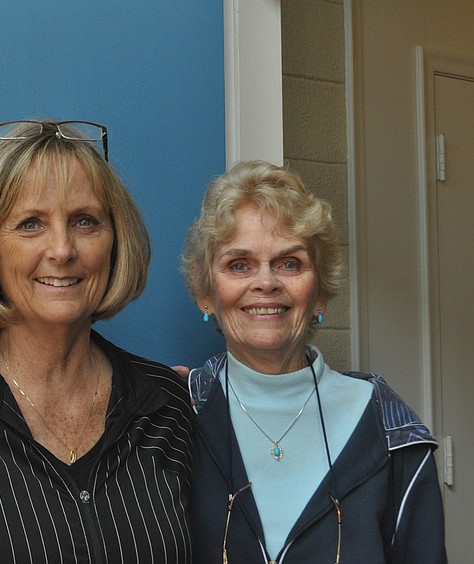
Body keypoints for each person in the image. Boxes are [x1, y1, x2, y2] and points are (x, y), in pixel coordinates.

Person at [0, 119, 193, 563]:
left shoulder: (169, 402)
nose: (63, 249)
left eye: (85, 222)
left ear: (115, 241)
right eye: (30, 224)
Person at [179, 160, 447, 563]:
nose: (266, 282)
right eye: (239, 265)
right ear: (206, 293)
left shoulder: (389, 429)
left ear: (319, 293)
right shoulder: (175, 417)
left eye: (290, 263)